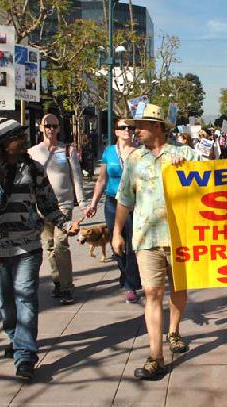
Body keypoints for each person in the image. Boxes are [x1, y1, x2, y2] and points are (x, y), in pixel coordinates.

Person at [0, 118, 79, 380]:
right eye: (17, 136)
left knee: (26, 295)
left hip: (27, 244)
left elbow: (47, 203)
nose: (23, 139)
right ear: (4, 143)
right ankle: (15, 338)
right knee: (6, 302)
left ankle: (25, 355)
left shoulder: (34, 168)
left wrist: (63, 223)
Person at [112, 104, 200, 380]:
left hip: (180, 236)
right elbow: (125, 198)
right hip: (146, 237)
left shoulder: (184, 153)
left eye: (141, 125)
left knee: (179, 288)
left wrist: (188, 170)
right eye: (132, 126)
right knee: (152, 293)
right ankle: (156, 356)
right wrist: (116, 231)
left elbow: (212, 180)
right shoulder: (135, 159)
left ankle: (174, 331)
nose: (134, 130)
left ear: (159, 127)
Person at [28, 114, 87, 305]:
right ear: (40, 127)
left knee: (61, 245)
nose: (51, 129)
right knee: (49, 247)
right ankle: (58, 282)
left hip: (63, 205)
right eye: (47, 125)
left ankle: (67, 287)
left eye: (54, 126)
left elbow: (77, 178)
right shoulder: (32, 152)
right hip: (41, 207)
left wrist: (83, 203)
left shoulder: (67, 150)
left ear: (59, 128)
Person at [86, 118, 142, 303]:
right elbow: (102, 179)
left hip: (134, 204)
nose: (127, 130)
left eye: (130, 127)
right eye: (123, 127)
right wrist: (93, 203)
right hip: (112, 202)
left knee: (133, 243)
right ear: (116, 131)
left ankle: (131, 285)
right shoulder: (109, 152)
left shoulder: (141, 152)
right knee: (116, 243)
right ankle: (124, 272)